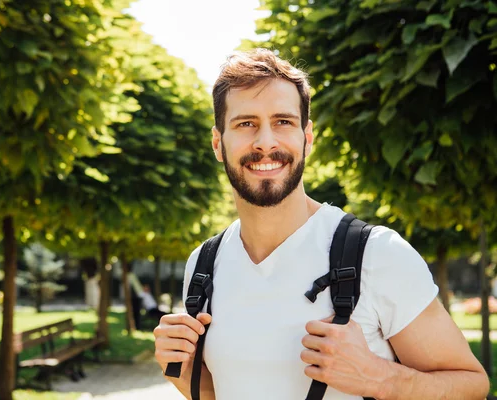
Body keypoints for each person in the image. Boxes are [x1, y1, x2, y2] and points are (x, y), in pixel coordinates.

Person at [153, 49, 490, 399]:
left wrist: (381, 378)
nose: (265, 142)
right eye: (245, 123)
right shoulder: (203, 265)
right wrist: (187, 374)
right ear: (217, 143)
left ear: (307, 137)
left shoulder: (376, 254)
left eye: (283, 122)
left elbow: (472, 386)